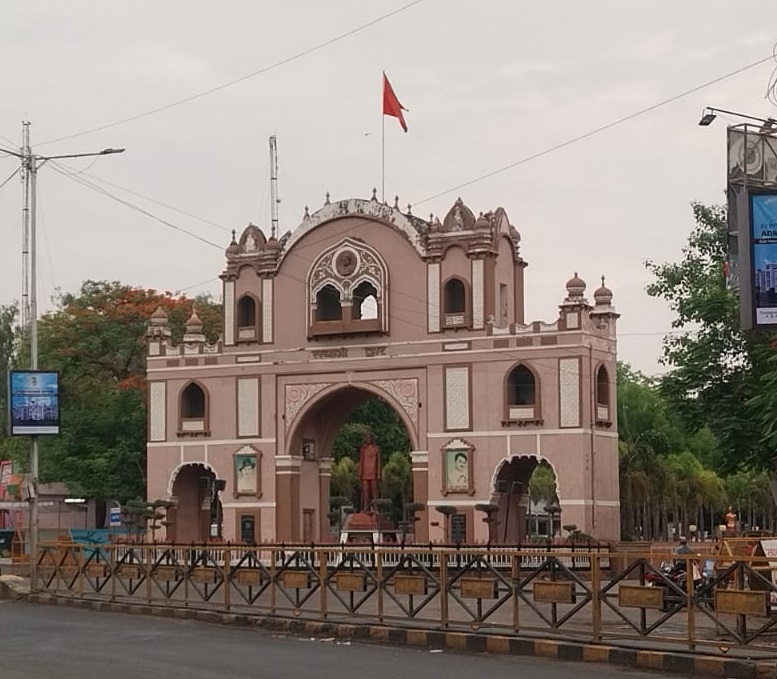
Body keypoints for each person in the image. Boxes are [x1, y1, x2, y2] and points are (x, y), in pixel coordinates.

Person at [358, 433, 381, 511]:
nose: (367, 439)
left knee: (374, 491)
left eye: (369, 438)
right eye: (366, 438)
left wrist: (378, 473)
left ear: (372, 439)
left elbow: (379, 462)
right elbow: (361, 461)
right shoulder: (363, 449)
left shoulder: (376, 449)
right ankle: (365, 507)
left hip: (373, 472)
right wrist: (360, 473)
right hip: (365, 473)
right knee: (365, 492)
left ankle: (375, 507)